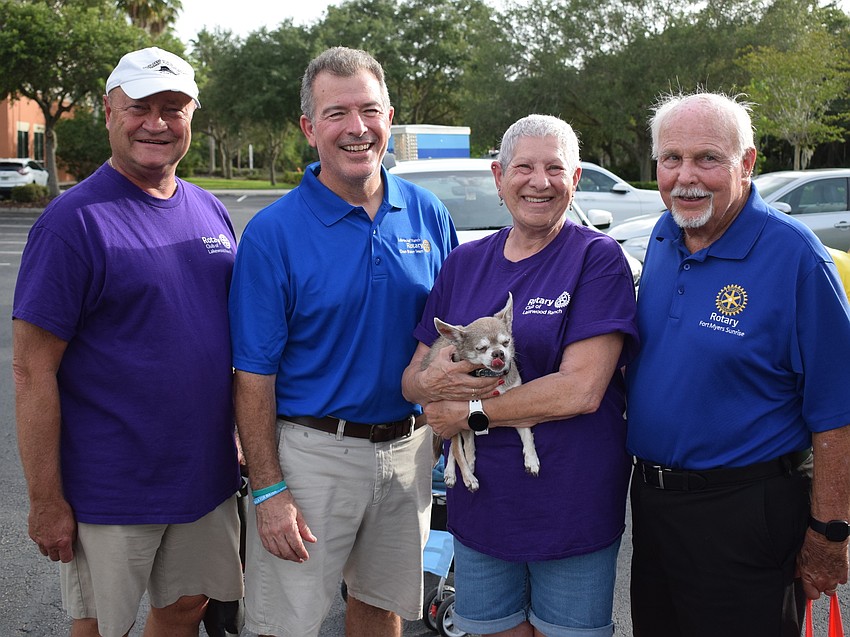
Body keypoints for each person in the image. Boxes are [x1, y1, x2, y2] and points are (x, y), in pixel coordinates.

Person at [12, 47, 244, 637]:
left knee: (187, 608)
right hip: (109, 486)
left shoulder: (210, 210)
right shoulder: (73, 223)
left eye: (174, 108)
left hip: (205, 477)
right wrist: (46, 499)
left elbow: (225, 343)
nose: (157, 123)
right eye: (140, 107)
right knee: (99, 624)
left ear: (193, 114)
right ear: (110, 112)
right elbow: (31, 371)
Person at [228, 46, 458, 637]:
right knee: (287, 623)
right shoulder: (273, 233)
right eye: (336, 114)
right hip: (310, 456)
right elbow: (253, 374)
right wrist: (268, 488)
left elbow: (448, 337)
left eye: (370, 110)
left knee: (381, 609)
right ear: (309, 128)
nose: (357, 129)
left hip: (409, 453)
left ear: (388, 117)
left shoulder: (428, 214)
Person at [402, 114, 639, 637]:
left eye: (556, 168)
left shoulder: (596, 259)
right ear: (498, 176)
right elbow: (413, 379)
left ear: (575, 180)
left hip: (571, 505)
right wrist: (432, 385)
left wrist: (467, 412)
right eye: (524, 167)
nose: (540, 181)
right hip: (482, 506)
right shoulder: (464, 263)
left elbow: (581, 389)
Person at [626, 91, 850, 637]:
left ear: (746, 164)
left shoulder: (797, 259)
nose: (685, 177)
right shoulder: (662, 235)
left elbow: (837, 411)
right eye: (670, 159)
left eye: (707, 158)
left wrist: (829, 533)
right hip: (654, 510)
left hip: (745, 513)